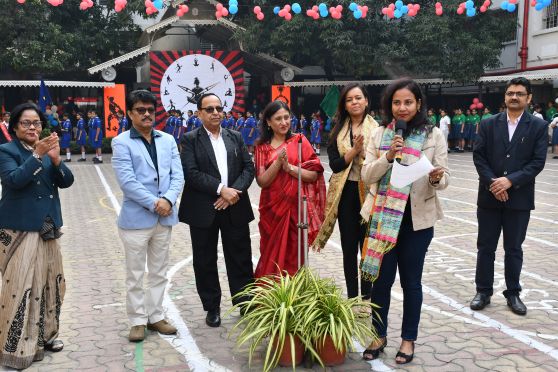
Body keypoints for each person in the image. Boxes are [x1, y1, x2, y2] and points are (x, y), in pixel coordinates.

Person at [360, 79, 449, 364]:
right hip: (383, 219)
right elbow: (366, 176)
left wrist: (436, 178)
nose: (402, 108)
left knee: (411, 283)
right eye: (397, 102)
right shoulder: (378, 135)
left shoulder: (433, 135)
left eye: (408, 102)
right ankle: (378, 334)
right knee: (381, 282)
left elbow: (443, 177)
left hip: (416, 221)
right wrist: (387, 156)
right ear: (389, 105)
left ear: (419, 104)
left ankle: (408, 339)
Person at [0, 103, 74, 369]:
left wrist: (55, 160)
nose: (32, 127)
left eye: (36, 123)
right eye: (26, 123)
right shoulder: (6, 151)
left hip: (47, 228)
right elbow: (13, 180)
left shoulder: (46, 150)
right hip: (20, 229)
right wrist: (36, 156)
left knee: (51, 284)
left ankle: (46, 336)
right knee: (20, 287)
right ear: (15, 127)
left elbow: (66, 181)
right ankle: (16, 348)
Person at [469, 77, 548, 316]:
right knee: (485, 247)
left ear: (529, 98)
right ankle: (483, 291)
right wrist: (494, 182)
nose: (514, 97)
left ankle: (513, 293)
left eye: (520, 94)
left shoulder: (538, 126)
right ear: (505, 96)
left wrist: (510, 180)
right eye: (511, 93)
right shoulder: (488, 123)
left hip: (519, 198)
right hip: (489, 196)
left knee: (514, 248)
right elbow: (479, 156)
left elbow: (537, 162)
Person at [112, 90, 184, 342]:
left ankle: (155, 317)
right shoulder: (121, 142)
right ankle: (136, 320)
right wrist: (156, 203)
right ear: (130, 113)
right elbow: (128, 182)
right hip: (136, 220)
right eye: (140, 110)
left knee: (159, 271)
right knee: (134, 273)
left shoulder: (168, 140)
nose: (146, 114)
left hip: (164, 218)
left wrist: (169, 199)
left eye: (150, 110)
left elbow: (178, 175)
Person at [178, 93, 255, 328]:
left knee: (240, 257)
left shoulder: (235, 136)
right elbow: (191, 174)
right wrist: (222, 189)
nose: (215, 113)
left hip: (235, 205)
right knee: (204, 260)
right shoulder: (190, 139)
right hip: (204, 208)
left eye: (218, 108)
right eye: (209, 109)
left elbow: (248, 168)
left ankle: (245, 303)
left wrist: (233, 193)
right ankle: (212, 307)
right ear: (199, 113)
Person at [312, 83, 378, 301]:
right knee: (349, 247)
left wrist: (363, 154)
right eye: (349, 99)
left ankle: (367, 296)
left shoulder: (378, 130)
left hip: (370, 193)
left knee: (367, 246)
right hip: (345, 191)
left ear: (366, 100)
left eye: (358, 98)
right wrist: (354, 151)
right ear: (345, 105)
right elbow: (335, 165)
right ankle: (352, 297)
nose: (355, 102)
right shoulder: (337, 130)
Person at [254, 100, 326, 278]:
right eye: (278, 118)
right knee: (270, 253)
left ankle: (296, 296)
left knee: (296, 252)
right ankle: (271, 294)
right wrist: (278, 162)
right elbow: (262, 181)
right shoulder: (262, 147)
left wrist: (290, 168)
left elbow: (313, 175)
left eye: (287, 117)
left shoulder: (300, 141)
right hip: (272, 210)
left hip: (296, 209)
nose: (284, 122)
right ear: (268, 122)